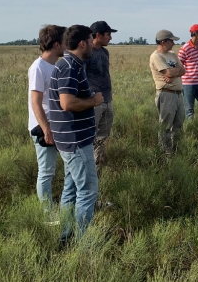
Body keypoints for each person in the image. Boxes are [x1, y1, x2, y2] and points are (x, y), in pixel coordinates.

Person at [49, 25, 104, 245]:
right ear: (82, 43)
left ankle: (65, 237)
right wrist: (94, 101)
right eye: (91, 40)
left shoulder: (70, 64)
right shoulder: (69, 66)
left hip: (71, 139)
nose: (93, 44)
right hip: (75, 141)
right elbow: (67, 103)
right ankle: (85, 245)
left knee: (70, 189)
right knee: (88, 190)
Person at [27, 24, 66, 224]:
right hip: (44, 128)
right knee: (47, 171)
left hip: (58, 126)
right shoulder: (38, 67)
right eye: (65, 41)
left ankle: (67, 206)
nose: (67, 45)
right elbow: (36, 102)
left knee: (68, 168)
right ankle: (47, 214)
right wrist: (46, 129)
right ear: (57, 44)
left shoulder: (56, 65)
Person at [149, 29, 185, 154]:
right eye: (171, 41)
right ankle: (166, 153)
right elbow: (170, 72)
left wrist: (172, 73)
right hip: (166, 94)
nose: (173, 43)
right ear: (163, 42)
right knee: (165, 126)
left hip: (178, 94)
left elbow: (183, 70)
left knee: (178, 125)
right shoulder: (156, 56)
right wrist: (174, 72)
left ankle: (176, 150)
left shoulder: (172, 54)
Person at [86, 21, 117, 166]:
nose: (110, 38)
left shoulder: (105, 52)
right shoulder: (87, 52)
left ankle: (98, 162)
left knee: (102, 136)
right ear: (98, 35)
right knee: (90, 136)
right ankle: (90, 165)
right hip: (94, 102)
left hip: (107, 100)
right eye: (108, 34)